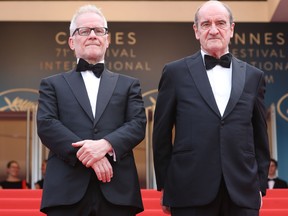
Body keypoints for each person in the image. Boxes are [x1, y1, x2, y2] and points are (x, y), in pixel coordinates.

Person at [152, 1, 270, 216]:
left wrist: (260, 185)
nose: (214, 30)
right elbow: (161, 134)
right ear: (196, 31)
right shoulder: (174, 72)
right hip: (188, 190)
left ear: (231, 29)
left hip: (242, 191)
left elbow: (260, 136)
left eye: (221, 23)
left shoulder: (254, 76)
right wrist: (166, 185)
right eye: (206, 24)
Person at [37, 4, 146, 216]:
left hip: (118, 191)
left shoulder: (129, 84)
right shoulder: (52, 84)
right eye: (84, 31)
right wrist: (89, 154)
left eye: (99, 30)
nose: (93, 35)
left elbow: (137, 124)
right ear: (71, 41)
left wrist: (105, 145)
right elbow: (47, 125)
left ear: (108, 39)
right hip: (65, 192)